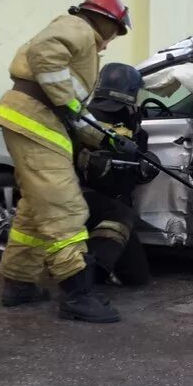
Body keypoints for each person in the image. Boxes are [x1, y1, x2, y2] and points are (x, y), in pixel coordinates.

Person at [0, 0, 135, 323]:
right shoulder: (79, 28)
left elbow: (76, 114)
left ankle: (19, 283)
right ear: (106, 21)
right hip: (35, 122)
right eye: (115, 32)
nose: (109, 43)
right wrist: (65, 103)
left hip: (35, 122)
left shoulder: (80, 35)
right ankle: (77, 295)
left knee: (34, 209)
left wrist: (107, 140)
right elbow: (46, 55)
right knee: (64, 208)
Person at [77, 64, 158, 288]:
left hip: (116, 201)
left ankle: (95, 259)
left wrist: (143, 169)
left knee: (137, 278)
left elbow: (134, 170)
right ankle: (90, 274)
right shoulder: (85, 120)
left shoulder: (135, 125)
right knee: (121, 213)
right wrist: (91, 162)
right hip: (83, 198)